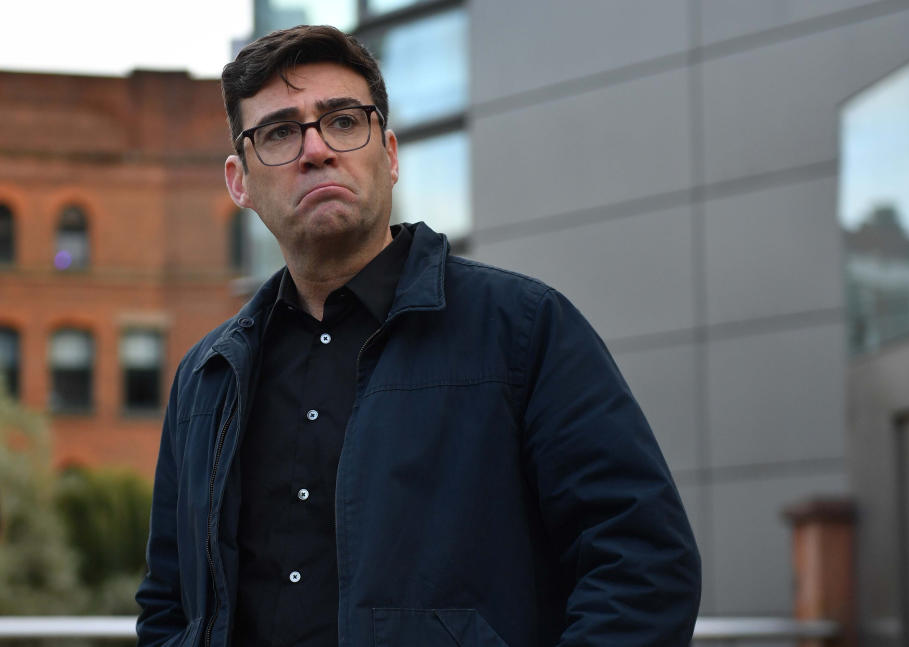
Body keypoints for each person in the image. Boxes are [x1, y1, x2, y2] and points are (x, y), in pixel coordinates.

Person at [135, 24, 700, 647]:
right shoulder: (205, 377)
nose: (316, 149)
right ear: (239, 182)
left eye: (344, 121)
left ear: (392, 154)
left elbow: (643, 564)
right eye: (278, 133)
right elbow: (169, 603)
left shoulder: (524, 329)